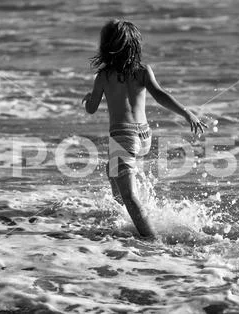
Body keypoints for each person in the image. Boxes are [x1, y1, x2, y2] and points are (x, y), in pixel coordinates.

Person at [82, 19, 207, 239]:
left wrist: (88, 100)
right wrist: (187, 113)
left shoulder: (104, 76)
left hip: (123, 136)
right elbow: (160, 95)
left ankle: (152, 240)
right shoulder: (142, 71)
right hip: (144, 136)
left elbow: (92, 109)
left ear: (106, 47)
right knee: (112, 172)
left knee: (129, 195)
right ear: (134, 46)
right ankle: (122, 219)